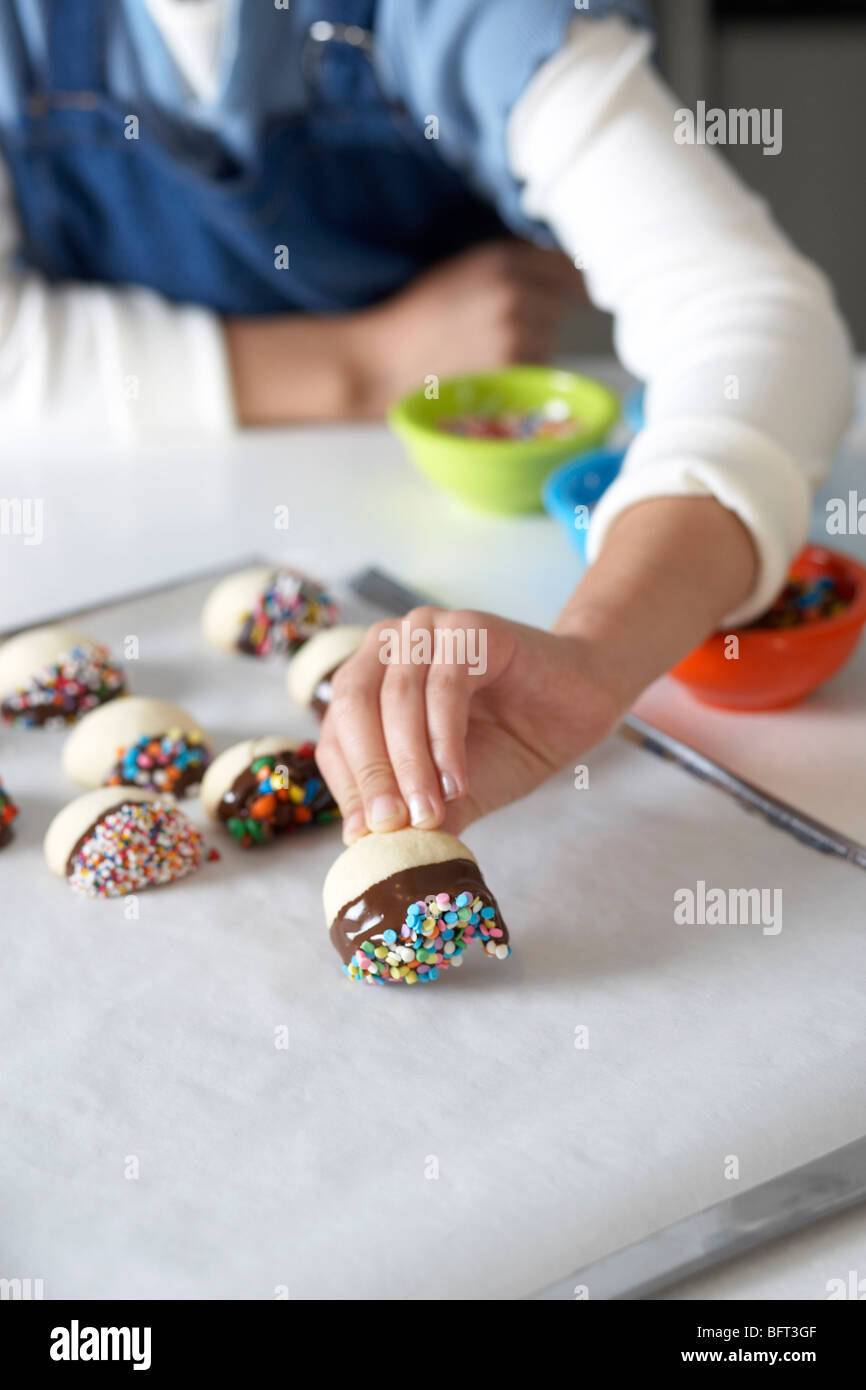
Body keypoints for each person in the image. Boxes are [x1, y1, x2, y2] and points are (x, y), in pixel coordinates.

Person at [0, 2, 853, 839]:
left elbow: (753, 314)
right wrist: (366, 363)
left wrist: (597, 656)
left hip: (463, 538)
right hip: (112, 513)